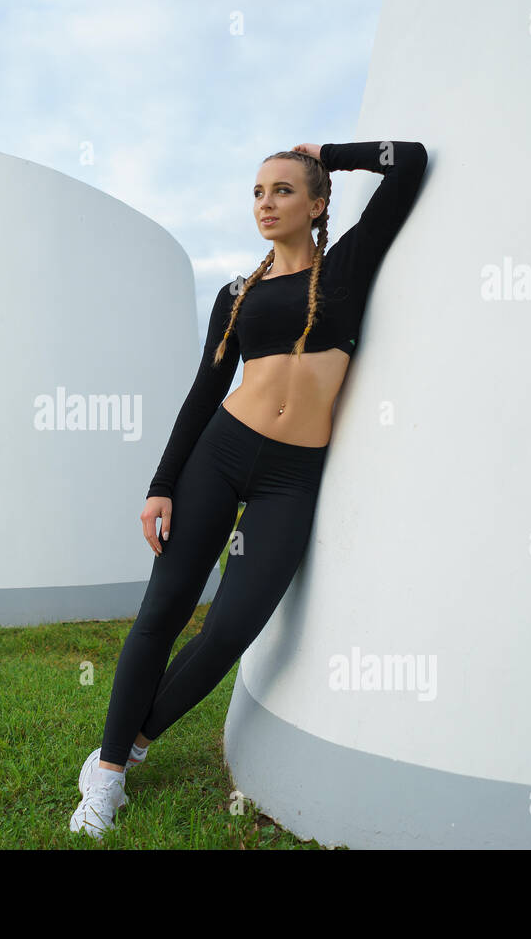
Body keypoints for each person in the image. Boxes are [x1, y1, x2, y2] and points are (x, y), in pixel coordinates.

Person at [70, 139, 429, 839]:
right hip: (220, 455)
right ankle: (109, 774)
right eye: (259, 192)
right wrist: (161, 485)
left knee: (230, 629)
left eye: (284, 190)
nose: (266, 203)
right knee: (163, 612)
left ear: (318, 204)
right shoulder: (239, 295)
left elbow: (409, 162)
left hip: (291, 478)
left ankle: (136, 737)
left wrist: (326, 152)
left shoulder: (349, 264)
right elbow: (205, 390)